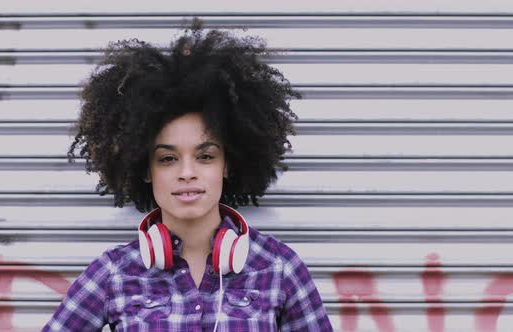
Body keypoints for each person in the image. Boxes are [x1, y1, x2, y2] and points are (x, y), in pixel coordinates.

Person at [43, 19, 333, 332]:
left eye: (205, 156)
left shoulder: (279, 268)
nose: (186, 173)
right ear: (145, 169)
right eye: (167, 159)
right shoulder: (114, 273)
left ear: (227, 164)